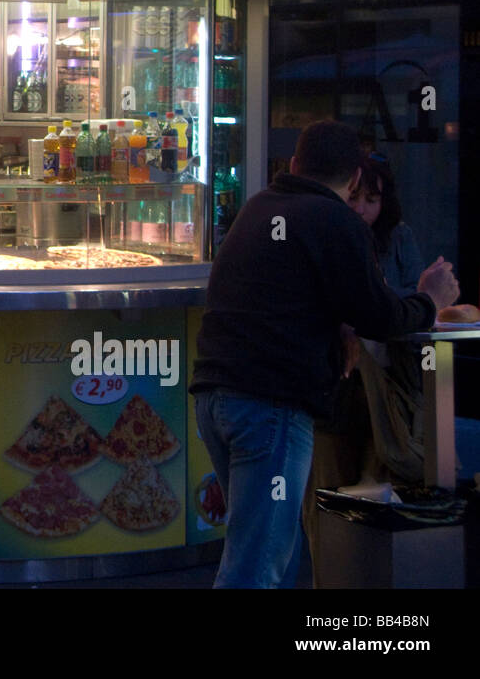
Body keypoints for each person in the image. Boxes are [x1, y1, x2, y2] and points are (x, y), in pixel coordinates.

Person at [189, 120, 457, 588]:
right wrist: (430, 300)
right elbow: (380, 315)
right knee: (257, 566)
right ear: (353, 179)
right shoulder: (333, 219)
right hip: (270, 406)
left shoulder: (258, 208)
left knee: (272, 547)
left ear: (293, 165)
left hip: (215, 399)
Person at [302, 152, 429, 584]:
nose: (359, 208)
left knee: (381, 490)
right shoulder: (322, 233)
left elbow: (413, 300)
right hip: (335, 388)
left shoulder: (399, 238)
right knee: (328, 493)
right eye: (354, 196)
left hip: (386, 383)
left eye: (371, 199)